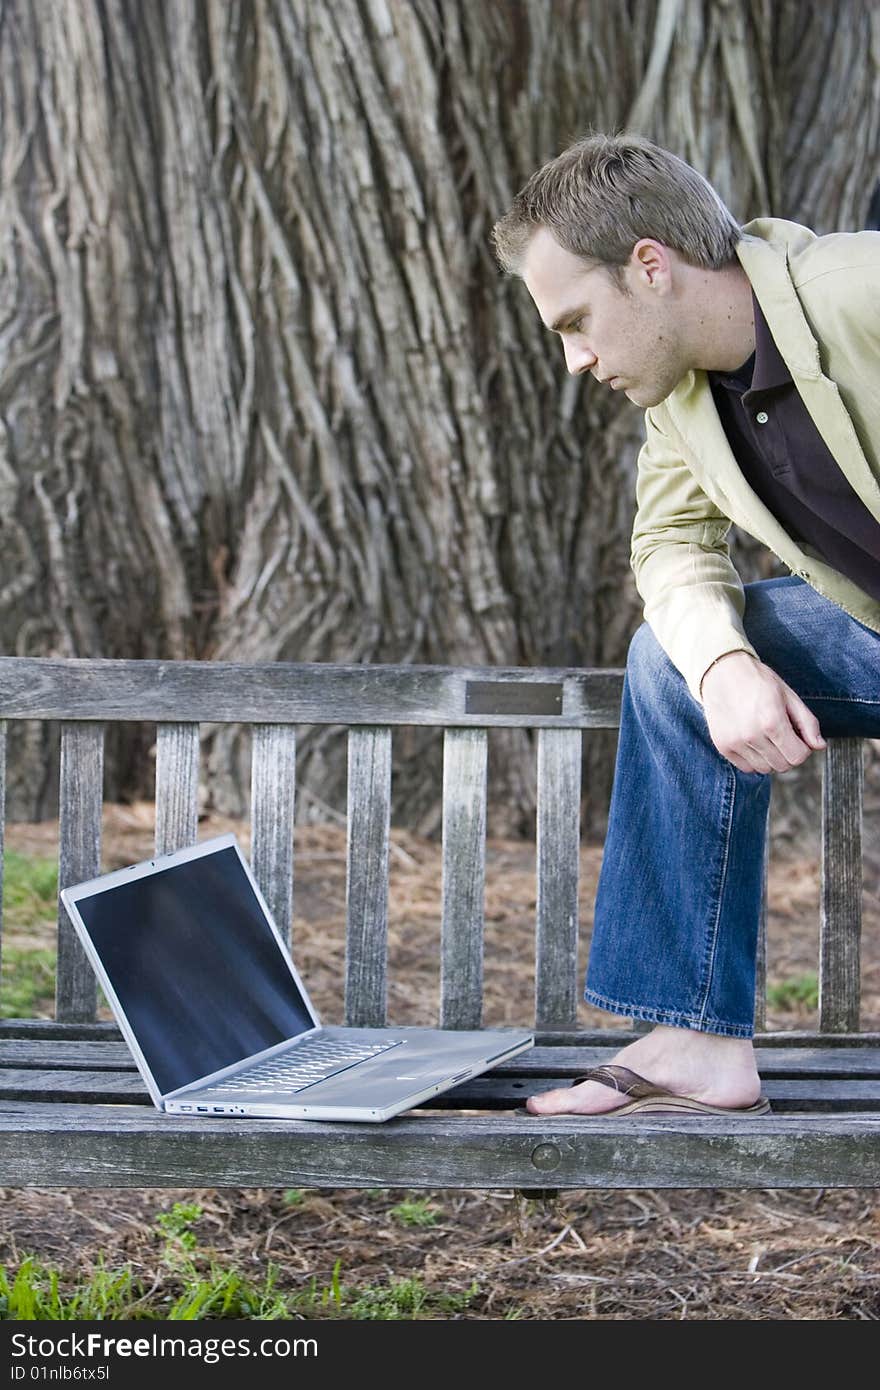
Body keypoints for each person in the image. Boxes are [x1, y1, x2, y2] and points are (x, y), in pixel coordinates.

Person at [490, 132, 880, 1116]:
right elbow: (668, 551)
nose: (576, 360)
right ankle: (698, 1032)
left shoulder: (856, 290)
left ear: (649, 267)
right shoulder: (681, 410)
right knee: (670, 654)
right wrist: (723, 667)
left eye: (576, 320)